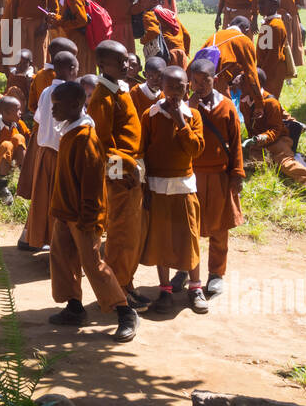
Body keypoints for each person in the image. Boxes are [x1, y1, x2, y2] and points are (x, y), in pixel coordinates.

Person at [46, 80, 138, 342]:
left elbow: (92, 185)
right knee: (62, 259)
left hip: (83, 216)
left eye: (57, 106)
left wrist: (89, 219)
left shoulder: (86, 139)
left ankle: (125, 312)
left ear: (75, 105)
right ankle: (74, 307)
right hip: (65, 212)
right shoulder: (70, 131)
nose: (52, 111)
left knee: (93, 264)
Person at [140, 65, 208, 314]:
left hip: (183, 187)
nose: (175, 93)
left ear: (187, 87)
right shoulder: (151, 115)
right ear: (162, 88)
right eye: (171, 87)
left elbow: (196, 149)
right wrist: (145, 188)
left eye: (181, 87)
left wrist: (180, 121)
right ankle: (165, 289)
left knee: (189, 237)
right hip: (157, 187)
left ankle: (195, 288)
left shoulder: (193, 116)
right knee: (160, 239)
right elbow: (144, 151)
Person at [88, 40, 148, 309]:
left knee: (132, 233)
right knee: (121, 234)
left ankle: (126, 282)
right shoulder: (102, 98)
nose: (126, 65)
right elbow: (102, 146)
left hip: (132, 170)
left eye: (127, 60)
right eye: (119, 62)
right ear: (102, 65)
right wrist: (125, 168)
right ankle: (118, 292)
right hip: (120, 174)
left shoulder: (123, 89)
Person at [240, 69, 306, 201]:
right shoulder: (244, 102)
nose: (239, 84)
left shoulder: (270, 103)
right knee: (253, 165)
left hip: (278, 142)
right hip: (259, 145)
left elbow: (276, 129)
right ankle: (288, 159)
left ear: (255, 86)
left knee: (287, 166)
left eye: (243, 81)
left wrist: (262, 138)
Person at [187, 56, 245, 298]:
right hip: (192, 176)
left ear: (216, 80)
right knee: (190, 227)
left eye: (205, 80)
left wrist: (237, 173)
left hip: (220, 176)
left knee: (220, 228)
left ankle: (216, 274)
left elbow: (236, 143)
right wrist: (189, 108)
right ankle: (187, 270)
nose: (200, 85)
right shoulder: (186, 106)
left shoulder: (227, 106)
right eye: (195, 81)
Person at [19, 49, 79, 254]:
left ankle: (34, 237)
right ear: (71, 69)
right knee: (59, 202)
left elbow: (38, 119)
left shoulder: (46, 92)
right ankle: (58, 246)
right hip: (60, 154)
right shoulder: (71, 93)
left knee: (42, 198)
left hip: (43, 152)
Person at [203, 16, 261, 108]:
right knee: (227, 113)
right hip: (218, 81)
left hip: (201, 80)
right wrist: (259, 102)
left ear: (229, 25)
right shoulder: (244, 40)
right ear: (246, 30)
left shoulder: (214, 36)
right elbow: (251, 74)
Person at [45, 0, 94, 74]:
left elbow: (82, 20)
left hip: (79, 39)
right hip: (72, 38)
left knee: (81, 70)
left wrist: (59, 21)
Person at [255, 0, 292, 99]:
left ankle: (285, 117)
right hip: (265, 68)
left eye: (262, 3)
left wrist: (263, 74)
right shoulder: (267, 23)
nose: (259, 6)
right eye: (258, 3)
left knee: (270, 100)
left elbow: (273, 55)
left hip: (272, 71)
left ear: (274, 4)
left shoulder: (276, 26)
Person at [270, 0, 306, 66]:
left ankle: (291, 68)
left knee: (294, 44)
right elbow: (270, 5)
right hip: (281, 20)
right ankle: (283, 67)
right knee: (286, 44)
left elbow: (302, 3)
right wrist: (283, 12)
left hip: (293, 20)